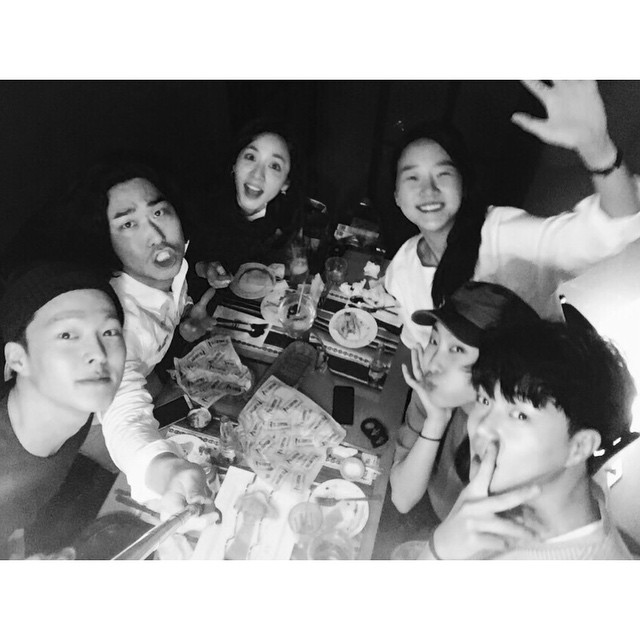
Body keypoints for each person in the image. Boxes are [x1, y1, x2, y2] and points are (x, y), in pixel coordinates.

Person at [384, 80, 640, 349]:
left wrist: (597, 148)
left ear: (464, 183)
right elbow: (419, 343)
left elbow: (615, 224)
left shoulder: (505, 236)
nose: (428, 189)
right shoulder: (402, 268)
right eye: (412, 177)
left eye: (443, 173)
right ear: (397, 196)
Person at [61, 160, 213, 509]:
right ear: (106, 240)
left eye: (159, 212)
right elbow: (124, 417)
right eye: (128, 224)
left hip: (146, 378)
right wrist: (166, 471)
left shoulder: (170, 266)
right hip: (87, 422)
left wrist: (187, 315)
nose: (157, 236)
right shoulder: (114, 324)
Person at [419, 320, 636, 560]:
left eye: (520, 415)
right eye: (484, 400)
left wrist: (438, 553)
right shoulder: (526, 496)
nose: (482, 428)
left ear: (579, 447)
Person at [0, 262, 126, 559]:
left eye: (109, 332)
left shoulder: (75, 412)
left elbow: (17, 518)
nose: (98, 353)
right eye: (67, 335)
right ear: (18, 359)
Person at [389, 281, 538, 523]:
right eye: (434, 341)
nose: (433, 363)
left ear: (495, 367)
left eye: (457, 349)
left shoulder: (509, 437)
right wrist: (436, 422)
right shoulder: (433, 393)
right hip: (427, 515)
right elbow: (402, 499)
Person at [187, 118, 306, 299]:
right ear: (235, 163)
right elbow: (187, 260)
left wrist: (287, 269)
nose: (257, 175)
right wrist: (205, 269)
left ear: (285, 183)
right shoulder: (202, 205)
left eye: (274, 166)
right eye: (250, 157)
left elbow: (300, 266)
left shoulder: (290, 215)